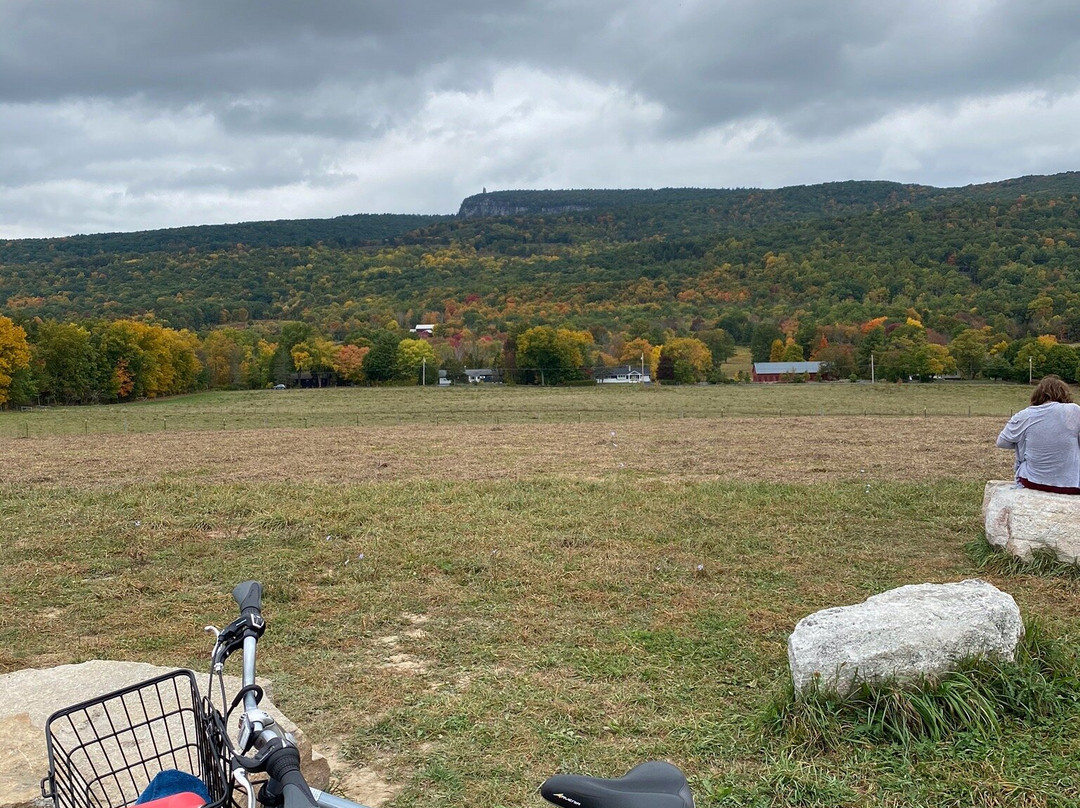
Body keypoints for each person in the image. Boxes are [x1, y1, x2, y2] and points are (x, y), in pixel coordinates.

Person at [996, 375, 1080, 494]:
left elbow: (1001, 442)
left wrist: (1025, 441)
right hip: (1071, 485)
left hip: (1031, 481)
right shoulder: (1073, 410)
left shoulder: (1025, 415)